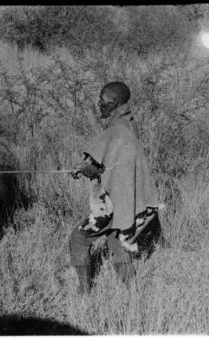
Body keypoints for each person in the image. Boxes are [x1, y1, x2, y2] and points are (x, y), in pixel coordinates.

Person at [69, 81, 165, 294]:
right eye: (100, 99)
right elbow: (112, 165)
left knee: (79, 237)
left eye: (105, 100)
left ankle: (84, 293)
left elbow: (106, 169)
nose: (100, 103)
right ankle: (134, 296)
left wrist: (86, 169)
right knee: (116, 242)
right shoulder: (126, 124)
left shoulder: (119, 131)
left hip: (114, 200)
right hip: (124, 199)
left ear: (116, 102)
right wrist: (90, 167)